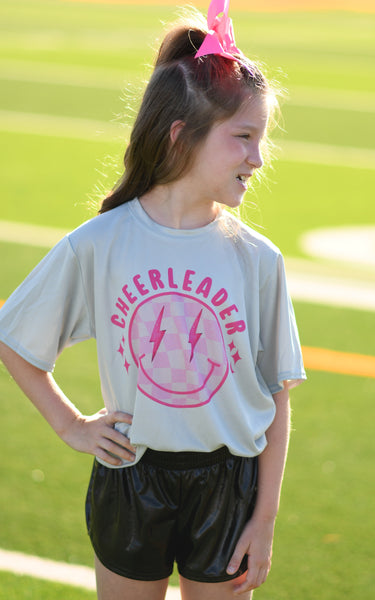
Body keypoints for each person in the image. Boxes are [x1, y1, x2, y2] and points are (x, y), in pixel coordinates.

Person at [0, 1, 306, 598]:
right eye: (243, 138)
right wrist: (71, 427)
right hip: (131, 478)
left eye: (260, 140)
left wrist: (264, 519)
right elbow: (16, 339)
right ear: (179, 136)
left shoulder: (259, 259)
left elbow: (277, 398)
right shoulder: (101, 242)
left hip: (229, 486)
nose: (258, 158)